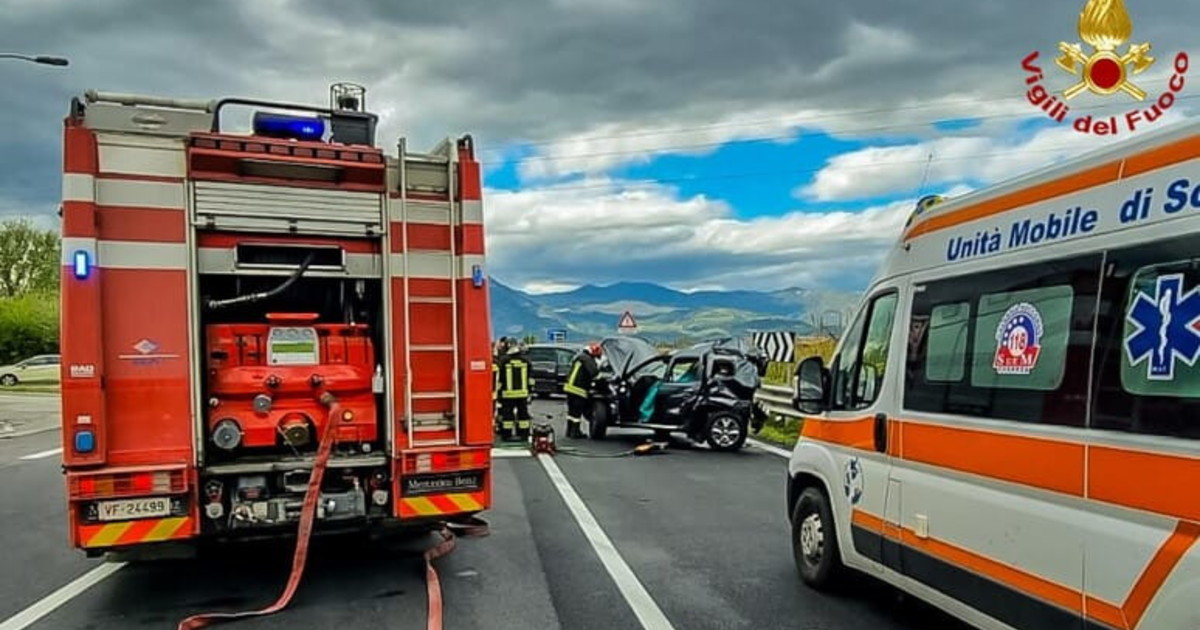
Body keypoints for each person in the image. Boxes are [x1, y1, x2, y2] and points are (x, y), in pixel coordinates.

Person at [563, 343, 602, 438]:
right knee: (577, 413)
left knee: (571, 412)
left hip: (569, 388)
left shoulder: (580, 357)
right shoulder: (587, 359)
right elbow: (594, 373)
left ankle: (569, 431)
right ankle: (575, 433)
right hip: (578, 389)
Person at [496, 340, 532, 440]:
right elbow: (531, 379)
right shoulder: (526, 361)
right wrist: (530, 392)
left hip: (507, 394)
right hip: (523, 394)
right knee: (523, 414)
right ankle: (524, 434)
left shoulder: (503, 361)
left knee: (507, 415)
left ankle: (507, 434)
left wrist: (498, 394)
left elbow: (499, 380)